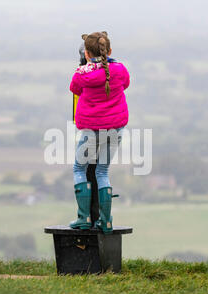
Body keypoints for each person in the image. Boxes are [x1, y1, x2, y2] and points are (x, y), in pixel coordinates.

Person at [69, 31, 130, 234]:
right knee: (102, 172)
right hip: (115, 130)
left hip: (91, 131)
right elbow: (126, 83)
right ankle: (106, 222)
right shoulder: (120, 69)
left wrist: (85, 69)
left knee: (79, 169)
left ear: (86, 53)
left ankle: (83, 218)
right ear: (109, 50)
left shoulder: (82, 73)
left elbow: (75, 89)